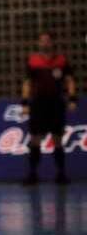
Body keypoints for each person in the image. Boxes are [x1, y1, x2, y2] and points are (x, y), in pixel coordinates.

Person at [21, 31, 77, 185]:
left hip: (56, 104)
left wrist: (72, 99)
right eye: (42, 41)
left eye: (47, 41)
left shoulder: (61, 60)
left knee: (57, 139)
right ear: (39, 44)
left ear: (52, 43)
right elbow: (27, 83)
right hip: (38, 104)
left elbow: (70, 80)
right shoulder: (33, 61)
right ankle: (32, 174)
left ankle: (61, 174)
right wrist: (25, 103)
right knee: (35, 139)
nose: (45, 43)